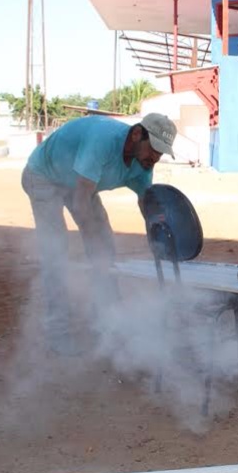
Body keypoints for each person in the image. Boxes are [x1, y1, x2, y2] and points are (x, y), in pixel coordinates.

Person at [21, 113, 176, 354]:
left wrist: (160, 240)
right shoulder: (103, 142)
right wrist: (94, 245)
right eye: (154, 148)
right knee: (56, 251)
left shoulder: (143, 164)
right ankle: (57, 332)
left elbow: (148, 205)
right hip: (43, 176)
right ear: (137, 135)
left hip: (79, 184)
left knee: (105, 248)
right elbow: (81, 203)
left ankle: (108, 323)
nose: (156, 157)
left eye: (161, 152)